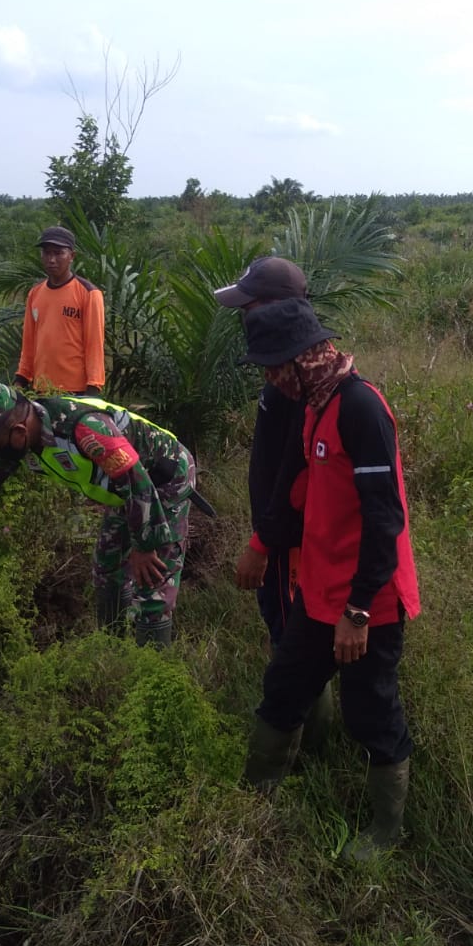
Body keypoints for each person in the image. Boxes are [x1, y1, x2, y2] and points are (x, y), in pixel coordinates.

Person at [237, 298, 420, 862]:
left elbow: (385, 519)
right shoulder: (314, 403)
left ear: (301, 358)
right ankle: (255, 796)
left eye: (274, 366)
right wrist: (262, 545)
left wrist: (358, 610)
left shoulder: (360, 408)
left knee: (370, 713)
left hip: (368, 603)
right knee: (285, 688)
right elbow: (295, 493)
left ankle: (387, 834)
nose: (270, 379)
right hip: (315, 591)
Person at [0, 382, 198, 647]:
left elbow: (136, 480)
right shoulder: (25, 438)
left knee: (152, 580)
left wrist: (144, 545)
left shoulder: (85, 429)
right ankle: (114, 648)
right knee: (108, 567)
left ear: (18, 431)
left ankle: (154, 670)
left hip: (163, 480)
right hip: (124, 490)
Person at [214, 256, 333, 749]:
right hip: (275, 532)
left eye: (251, 306)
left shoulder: (301, 383)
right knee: (283, 629)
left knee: (294, 640)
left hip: (289, 542)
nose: (245, 318)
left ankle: (308, 745)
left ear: (278, 309)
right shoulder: (278, 377)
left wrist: (264, 541)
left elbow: (296, 473)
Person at [14, 226, 105, 396]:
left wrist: (93, 388)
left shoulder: (89, 294)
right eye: (47, 253)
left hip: (76, 392)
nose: (51, 259)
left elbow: (94, 345)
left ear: (72, 256)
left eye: (58, 253)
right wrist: (21, 379)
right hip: (41, 390)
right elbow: (29, 343)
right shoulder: (35, 294)